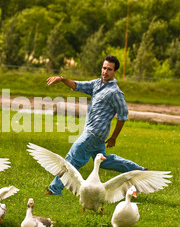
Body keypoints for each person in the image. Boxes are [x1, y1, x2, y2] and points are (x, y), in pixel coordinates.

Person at [46, 55, 146, 196]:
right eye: (104, 68)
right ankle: (139, 171)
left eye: (109, 69)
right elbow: (77, 85)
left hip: (94, 134)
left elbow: (123, 116)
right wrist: (62, 79)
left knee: (72, 158)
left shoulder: (115, 93)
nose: (105, 72)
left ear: (115, 72)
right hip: (94, 134)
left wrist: (114, 138)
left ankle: (54, 189)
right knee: (105, 162)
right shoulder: (97, 84)